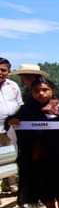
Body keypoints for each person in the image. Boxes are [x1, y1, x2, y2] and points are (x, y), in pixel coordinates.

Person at [5, 77, 59, 208]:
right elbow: (13, 124)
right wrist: (12, 121)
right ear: (31, 93)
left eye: (45, 90)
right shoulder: (27, 108)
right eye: (36, 91)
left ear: (52, 90)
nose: (41, 93)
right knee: (42, 184)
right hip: (37, 154)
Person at [0, 58, 22, 193]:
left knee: (12, 155)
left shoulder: (13, 85)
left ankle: (11, 184)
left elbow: (19, 104)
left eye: (3, 70)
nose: (0, 73)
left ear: (8, 71)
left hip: (12, 129)